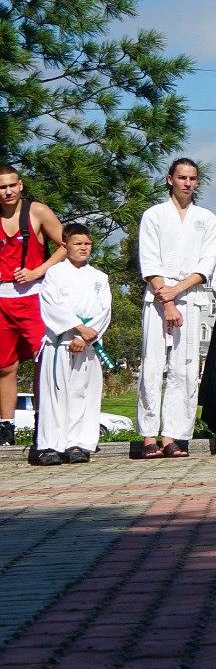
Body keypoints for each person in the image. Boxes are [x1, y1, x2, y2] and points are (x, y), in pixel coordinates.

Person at [135, 158, 216, 459]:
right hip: (158, 298)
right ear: (170, 179)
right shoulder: (154, 215)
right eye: (181, 177)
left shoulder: (207, 219)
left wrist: (179, 290)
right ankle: (148, 436)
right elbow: (149, 261)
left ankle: (173, 436)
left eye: (193, 178)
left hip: (192, 297)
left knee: (184, 370)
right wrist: (167, 299)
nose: (187, 183)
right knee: (153, 366)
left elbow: (207, 264)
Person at [29, 225, 110, 466]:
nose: (83, 248)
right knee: (55, 395)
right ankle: (50, 445)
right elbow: (52, 308)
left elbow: (104, 311)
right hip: (60, 341)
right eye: (78, 244)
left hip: (87, 344)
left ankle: (78, 443)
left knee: (81, 393)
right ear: (65, 246)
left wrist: (85, 337)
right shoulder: (54, 274)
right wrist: (77, 328)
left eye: (87, 244)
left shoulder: (99, 277)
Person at [0, 163, 65, 448]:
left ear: (21, 185)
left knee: (43, 361)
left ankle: (44, 422)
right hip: (2, 300)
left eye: (12, 185)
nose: (8, 191)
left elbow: (67, 245)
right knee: (5, 366)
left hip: (34, 298)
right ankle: (6, 427)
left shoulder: (36, 211)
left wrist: (38, 270)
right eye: (2, 187)